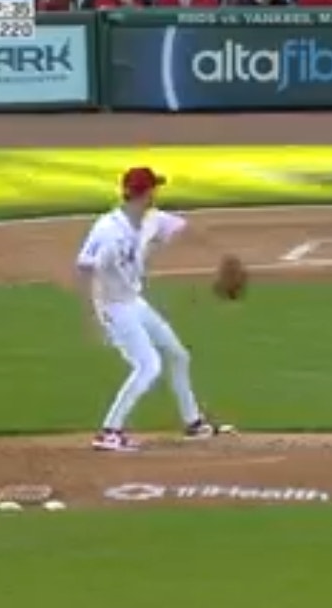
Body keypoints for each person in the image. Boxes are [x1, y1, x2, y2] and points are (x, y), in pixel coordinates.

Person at [77, 167, 237, 451]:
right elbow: (87, 268)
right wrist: (94, 316)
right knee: (148, 366)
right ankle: (109, 431)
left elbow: (187, 230)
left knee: (178, 355)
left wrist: (222, 256)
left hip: (134, 301)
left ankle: (193, 423)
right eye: (154, 189)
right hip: (113, 306)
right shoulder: (108, 230)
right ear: (147, 192)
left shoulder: (152, 219)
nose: (157, 194)